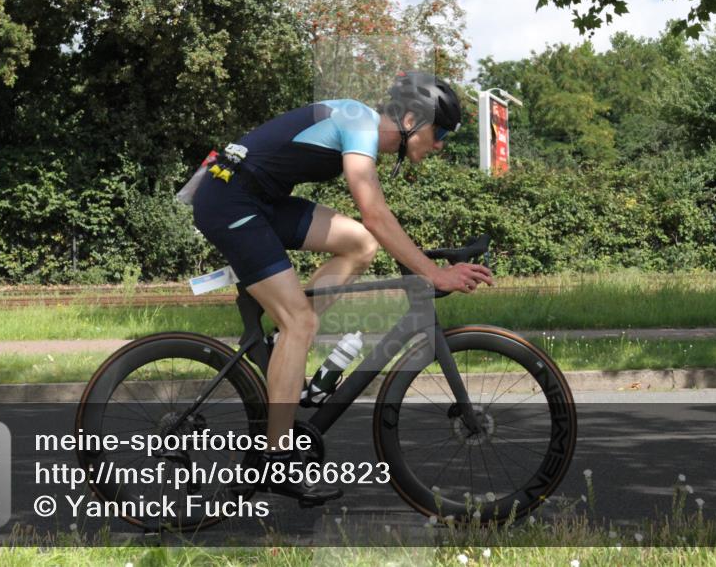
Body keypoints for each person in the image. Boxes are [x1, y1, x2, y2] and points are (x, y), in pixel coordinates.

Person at [191, 71, 493, 506]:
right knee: (302, 321)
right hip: (230, 200)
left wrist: (423, 264)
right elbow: (373, 210)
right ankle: (274, 460)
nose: (441, 143)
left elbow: (373, 229)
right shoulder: (358, 122)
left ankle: (282, 347)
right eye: (440, 131)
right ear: (411, 118)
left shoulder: (358, 122)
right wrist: (433, 273)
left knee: (359, 245)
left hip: (257, 197)